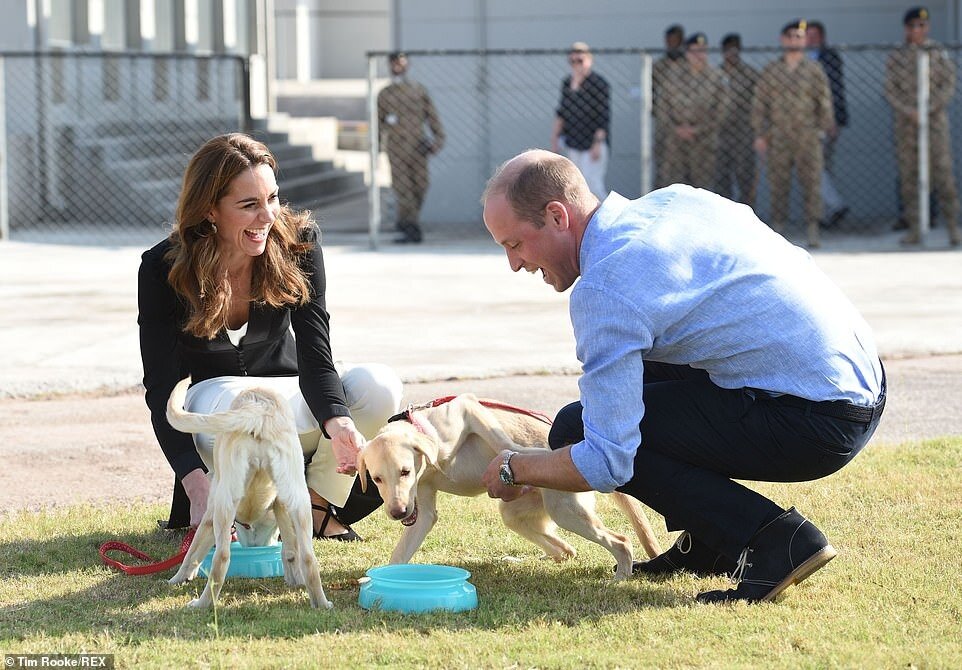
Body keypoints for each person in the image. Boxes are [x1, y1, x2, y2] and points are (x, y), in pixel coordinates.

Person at [479, 149, 885, 604]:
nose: (514, 264)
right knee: (630, 385)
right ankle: (711, 540)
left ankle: (775, 542)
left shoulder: (605, 287)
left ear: (557, 216)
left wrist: (516, 466)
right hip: (859, 379)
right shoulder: (674, 200)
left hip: (816, 418)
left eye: (514, 244)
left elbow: (607, 460)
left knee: (577, 428)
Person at [138, 133, 403, 542]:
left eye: (272, 198)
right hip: (216, 408)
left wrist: (341, 423)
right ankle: (242, 511)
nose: (268, 217)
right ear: (210, 210)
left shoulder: (299, 244)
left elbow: (317, 356)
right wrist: (196, 486)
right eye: (249, 205)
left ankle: (314, 506)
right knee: (240, 405)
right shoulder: (163, 268)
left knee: (378, 385)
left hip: (289, 396)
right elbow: (162, 389)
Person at [752, 19, 835, 248]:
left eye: (799, 36)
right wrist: (760, 134)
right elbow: (760, 104)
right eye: (790, 36)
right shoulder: (772, 70)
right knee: (779, 182)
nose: (794, 40)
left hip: (807, 136)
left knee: (811, 183)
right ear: (782, 39)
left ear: (805, 40)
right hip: (778, 136)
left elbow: (824, 101)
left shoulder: (814, 70)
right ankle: (779, 227)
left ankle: (812, 228)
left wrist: (821, 129)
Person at [884, 6, 961, 246]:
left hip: (934, 124)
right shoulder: (898, 56)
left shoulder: (937, 53)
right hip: (907, 126)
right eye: (912, 26)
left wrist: (928, 110)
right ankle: (915, 229)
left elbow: (948, 85)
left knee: (943, 176)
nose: (917, 30)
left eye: (921, 25)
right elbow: (889, 89)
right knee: (910, 178)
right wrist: (910, 111)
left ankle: (952, 228)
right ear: (906, 29)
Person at [377, 51, 445, 244]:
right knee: (403, 189)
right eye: (395, 63)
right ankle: (410, 228)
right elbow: (378, 123)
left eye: (401, 62)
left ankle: (406, 221)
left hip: (417, 147)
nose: (398, 66)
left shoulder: (418, 90)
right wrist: (376, 148)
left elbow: (432, 117)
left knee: (421, 185)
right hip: (396, 148)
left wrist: (437, 140)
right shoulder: (385, 94)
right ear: (390, 65)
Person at [658, 32, 728, 189]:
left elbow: (721, 111)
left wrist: (697, 130)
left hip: (704, 143)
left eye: (703, 50)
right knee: (674, 188)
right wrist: (676, 129)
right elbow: (662, 107)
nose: (699, 55)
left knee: (704, 189)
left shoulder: (717, 77)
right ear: (687, 52)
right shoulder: (672, 75)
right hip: (676, 142)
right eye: (695, 50)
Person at [551, 41, 611, 200]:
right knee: (576, 185)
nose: (576, 65)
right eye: (573, 61)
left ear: (589, 60)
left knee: (593, 184)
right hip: (574, 141)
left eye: (580, 61)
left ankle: (608, 217)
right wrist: (555, 137)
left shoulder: (598, 83)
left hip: (592, 142)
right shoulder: (567, 83)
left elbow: (603, 116)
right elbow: (562, 112)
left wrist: (597, 143)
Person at [806, 20, 850, 228]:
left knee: (818, 167)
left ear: (822, 37)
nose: (811, 39)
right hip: (807, 123)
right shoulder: (803, 58)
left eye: (814, 35)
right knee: (820, 167)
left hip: (825, 122)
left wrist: (831, 120)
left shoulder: (828, 57)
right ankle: (826, 214)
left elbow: (833, 91)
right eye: (808, 35)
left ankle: (834, 205)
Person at [716, 33, 759, 205]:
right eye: (728, 50)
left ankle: (748, 215)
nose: (731, 54)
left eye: (735, 49)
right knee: (721, 177)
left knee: (745, 177)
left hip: (743, 133)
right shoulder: (715, 74)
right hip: (720, 133)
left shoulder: (750, 75)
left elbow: (758, 102)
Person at [652, 24, 685, 188]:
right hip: (665, 127)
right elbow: (650, 93)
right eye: (669, 41)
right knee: (663, 171)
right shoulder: (660, 66)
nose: (671, 45)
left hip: (687, 126)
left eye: (675, 41)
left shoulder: (688, 66)